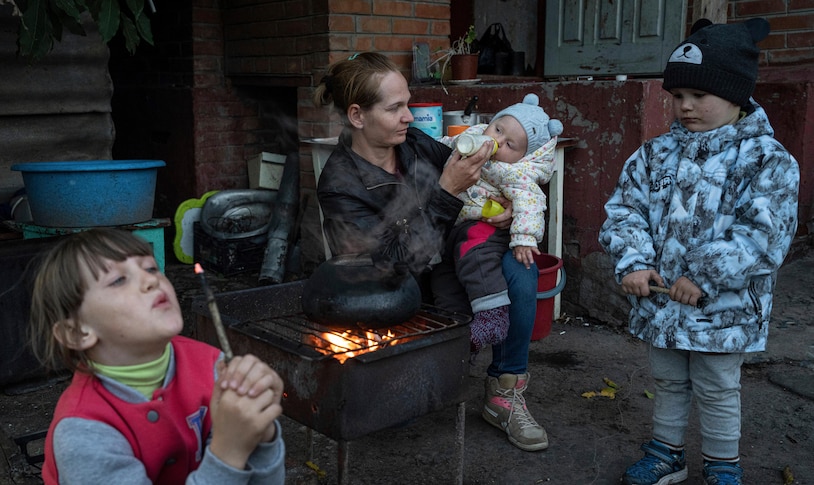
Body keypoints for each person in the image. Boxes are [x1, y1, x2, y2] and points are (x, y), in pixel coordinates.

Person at [313, 52, 548, 451]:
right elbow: (388, 268)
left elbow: (476, 173)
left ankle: (504, 393)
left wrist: (506, 206)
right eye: (396, 108)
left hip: (454, 261)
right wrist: (448, 192)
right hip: (406, 289)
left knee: (521, 264)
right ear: (357, 116)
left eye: (407, 103)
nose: (409, 117)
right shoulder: (339, 184)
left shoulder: (412, 143)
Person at [599, 18, 799, 485]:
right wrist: (635, 261)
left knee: (717, 386)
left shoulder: (766, 159)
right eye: (677, 96)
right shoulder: (655, 154)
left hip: (722, 308)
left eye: (699, 96)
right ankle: (668, 453)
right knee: (668, 380)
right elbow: (625, 209)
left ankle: (722, 464)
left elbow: (764, 233)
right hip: (663, 304)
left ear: (734, 94)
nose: (685, 106)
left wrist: (706, 275)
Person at [28, 228, 286, 484]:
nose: (152, 280)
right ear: (76, 332)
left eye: (151, 268)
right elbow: (228, 460)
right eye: (119, 280)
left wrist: (260, 435)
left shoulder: (211, 366)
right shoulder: (83, 432)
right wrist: (229, 452)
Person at [437, 94, 563, 351]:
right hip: (451, 231)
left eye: (510, 145)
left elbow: (530, 202)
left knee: (476, 254)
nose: (497, 141)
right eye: (497, 129)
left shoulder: (513, 172)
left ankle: (492, 314)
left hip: (483, 229)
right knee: (443, 279)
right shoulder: (471, 139)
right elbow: (443, 147)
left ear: (522, 158)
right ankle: (459, 342)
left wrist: (524, 238)